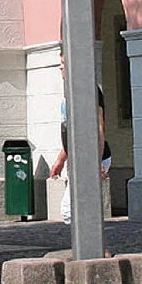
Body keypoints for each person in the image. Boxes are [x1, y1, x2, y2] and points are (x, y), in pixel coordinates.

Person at [50, 49, 111, 226]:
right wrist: (61, 159)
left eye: (63, 64)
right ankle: (92, 249)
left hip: (89, 157)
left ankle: (96, 250)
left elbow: (98, 127)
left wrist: (96, 160)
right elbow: (71, 130)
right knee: (76, 209)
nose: (60, 68)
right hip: (78, 157)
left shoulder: (89, 90)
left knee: (71, 211)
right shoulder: (71, 90)